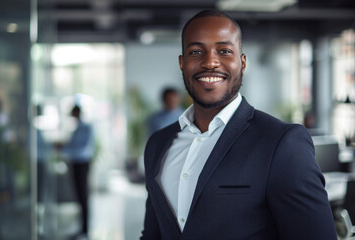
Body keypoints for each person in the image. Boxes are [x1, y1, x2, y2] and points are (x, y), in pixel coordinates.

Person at [140, 10, 337, 240]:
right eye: (196, 51)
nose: (210, 61)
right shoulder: (158, 144)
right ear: (182, 63)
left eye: (224, 51)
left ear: (242, 63)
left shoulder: (281, 143)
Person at [59, 105, 95, 240]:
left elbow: (82, 149)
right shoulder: (77, 129)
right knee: (79, 196)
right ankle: (81, 229)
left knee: (83, 196)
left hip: (82, 164)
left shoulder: (86, 128)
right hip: (75, 164)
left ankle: (85, 230)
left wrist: (64, 149)